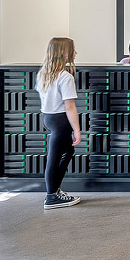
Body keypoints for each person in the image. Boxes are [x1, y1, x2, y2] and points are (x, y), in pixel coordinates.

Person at [35, 37, 82, 209]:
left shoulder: (43, 74)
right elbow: (69, 106)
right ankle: (51, 196)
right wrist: (77, 129)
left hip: (48, 118)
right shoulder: (65, 77)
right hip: (61, 120)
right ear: (64, 53)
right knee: (54, 158)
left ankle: (55, 191)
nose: (75, 53)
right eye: (73, 50)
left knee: (67, 151)